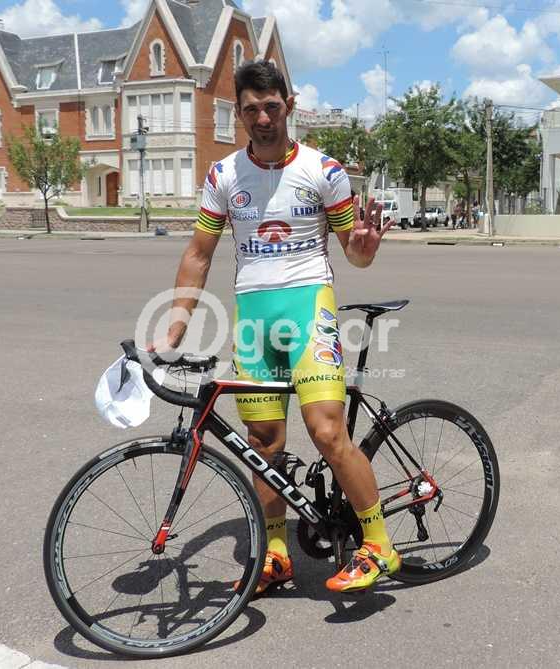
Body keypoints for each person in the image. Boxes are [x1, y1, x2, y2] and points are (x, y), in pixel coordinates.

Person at [149, 60, 398, 595]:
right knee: (263, 443)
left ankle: (379, 545)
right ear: (239, 113)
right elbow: (198, 254)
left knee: (327, 431)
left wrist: (364, 249)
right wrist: (174, 330)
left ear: (289, 104)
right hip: (253, 321)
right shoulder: (223, 176)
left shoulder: (323, 170)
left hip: (309, 310)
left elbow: (354, 254)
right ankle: (277, 554)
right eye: (250, 110)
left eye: (271, 106)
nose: (262, 118)